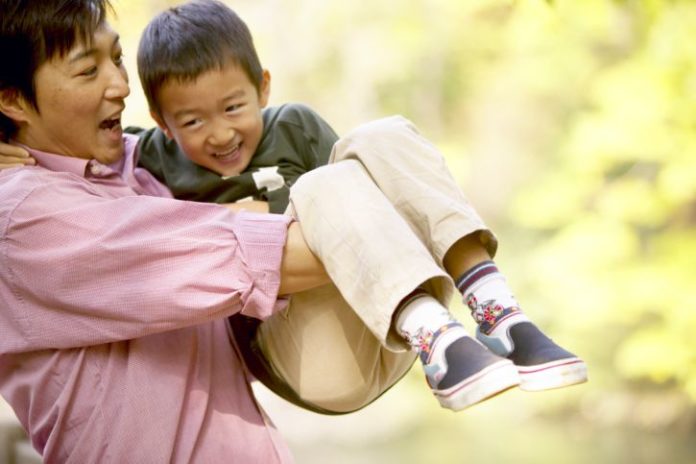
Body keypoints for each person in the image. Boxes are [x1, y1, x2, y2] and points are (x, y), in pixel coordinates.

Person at [0, 0, 585, 460]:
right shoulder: (25, 216)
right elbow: (244, 250)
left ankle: (495, 308)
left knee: (384, 135)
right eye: (87, 69)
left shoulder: (125, 163)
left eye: (117, 58)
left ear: (262, 88)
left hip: (312, 385)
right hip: (308, 353)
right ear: (12, 100)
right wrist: (293, 216)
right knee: (323, 189)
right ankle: (433, 327)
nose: (120, 85)